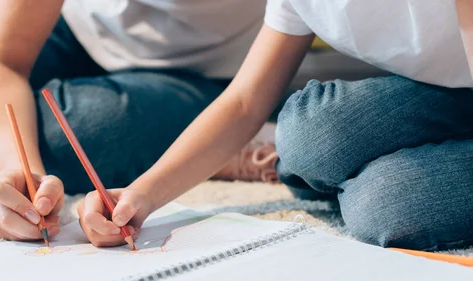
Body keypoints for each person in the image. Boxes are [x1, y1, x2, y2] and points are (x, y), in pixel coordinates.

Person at [76, 0, 473, 251]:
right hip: (451, 91)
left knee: (382, 206)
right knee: (306, 134)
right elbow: (245, 102)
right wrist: (140, 195)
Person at [0, 0, 273, 240]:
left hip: (200, 73)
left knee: (81, 136)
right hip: (66, 27)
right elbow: (0, 58)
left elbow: (248, 95)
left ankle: (216, 146)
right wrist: (19, 170)